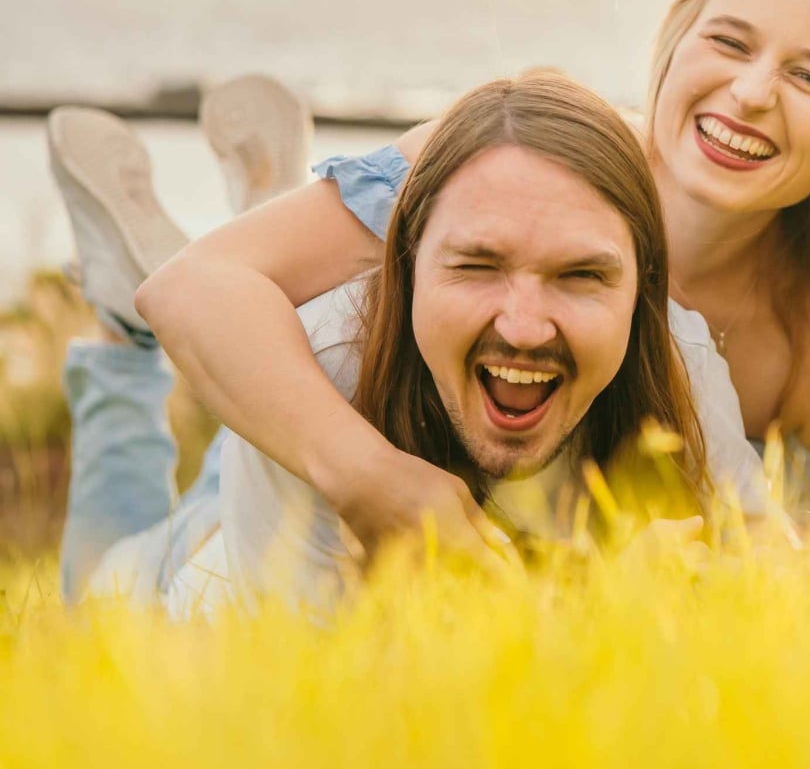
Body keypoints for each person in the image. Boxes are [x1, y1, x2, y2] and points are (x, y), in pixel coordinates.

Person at [140, 0, 810, 546]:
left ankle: (271, 197)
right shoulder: (524, 162)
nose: (753, 92)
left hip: (533, 537)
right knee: (168, 545)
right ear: (670, 52)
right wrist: (374, 477)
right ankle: (124, 350)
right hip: (320, 440)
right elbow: (194, 289)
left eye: (809, 75)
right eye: (728, 42)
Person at [52, 70, 763, 613]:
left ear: (645, 287)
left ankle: (262, 227)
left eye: (582, 275)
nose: (523, 325)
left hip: (285, 405)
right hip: (216, 563)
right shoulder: (331, 373)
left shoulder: (685, 363)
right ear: (402, 261)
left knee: (279, 353)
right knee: (95, 594)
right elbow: (375, 721)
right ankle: (123, 340)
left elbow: (773, 576)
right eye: (476, 264)